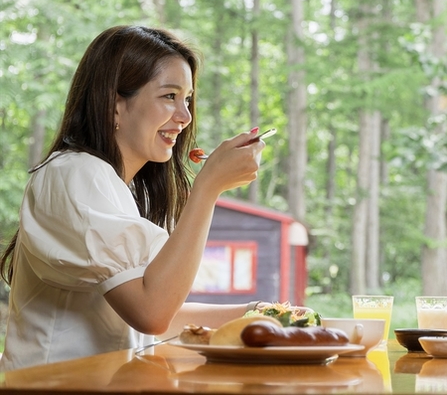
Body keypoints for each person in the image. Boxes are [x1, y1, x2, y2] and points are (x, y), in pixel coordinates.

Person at [0, 25, 286, 370]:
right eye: (169, 96)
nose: (185, 117)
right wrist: (208, 188)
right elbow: (151, 313)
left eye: (188, 99)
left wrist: (260, 313)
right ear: (115, 105)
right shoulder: (74, 174)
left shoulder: (125, 188)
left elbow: (158, 313)